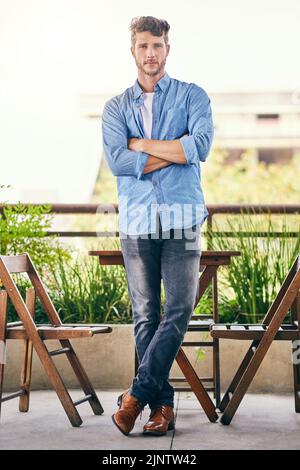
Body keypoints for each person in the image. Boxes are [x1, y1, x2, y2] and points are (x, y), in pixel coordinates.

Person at [102, 15, 214, 437]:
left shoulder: (192, 96)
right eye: (144, 46)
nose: (151, 53)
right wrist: (174, 150)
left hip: (183, 218)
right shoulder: (116, 108)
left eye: (158, 45)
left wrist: (143, 146)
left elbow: (199, 147)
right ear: (133, 50)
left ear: (169, 48)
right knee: (146, 314)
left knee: (180, 308)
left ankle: (134, 397)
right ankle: (162, 409)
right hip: (136, 220)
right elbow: (118, 162)